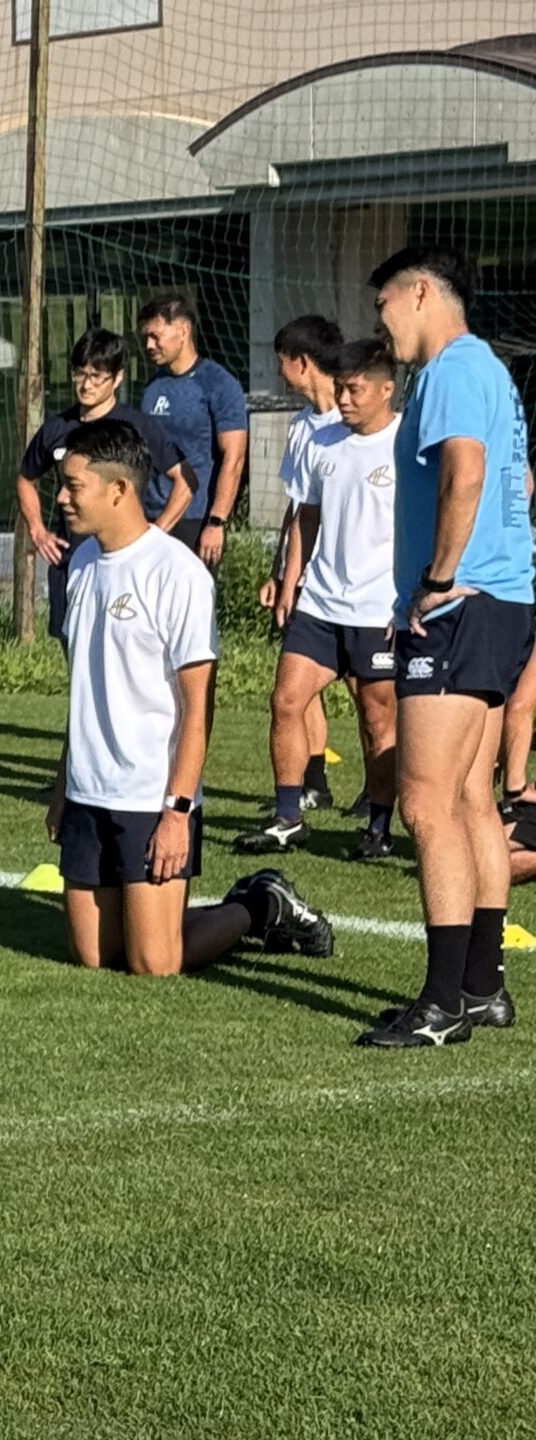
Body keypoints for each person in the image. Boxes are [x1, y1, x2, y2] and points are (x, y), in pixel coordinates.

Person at [44, 419, 333, 976]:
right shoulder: (80, 564)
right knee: (94, 958)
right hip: (88, 794)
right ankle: (190, 910)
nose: (62, 497)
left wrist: (177, 812)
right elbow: (85, 691)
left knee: (154, 964)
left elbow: (198, 707)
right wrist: (64, 788)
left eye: (74, 486)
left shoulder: (177, 573)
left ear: (119, 489)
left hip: (151, 797)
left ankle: (260, 904)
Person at [358, 246, 535, 1049]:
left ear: (421, 293)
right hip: (501, 604)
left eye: (384, 306)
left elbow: (467, 472)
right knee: (469, 800)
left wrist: (436, 580)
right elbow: (516, 484)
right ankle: (482, 987)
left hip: (462, 609)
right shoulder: (489, 370)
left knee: (426, 803)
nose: (382, 325)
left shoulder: (454, 370)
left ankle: (441, 1004)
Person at [239, 332, 401, 860]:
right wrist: (290, 582)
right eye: (342, 389)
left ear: (385, 391)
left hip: (379, 610)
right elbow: (305, 517)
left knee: (377, 720)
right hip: (320, 603)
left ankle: (379, 828)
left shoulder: (406, 445)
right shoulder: (322, 441)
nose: (344, 400)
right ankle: (288, 818)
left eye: (355, 390)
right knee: (286, 700)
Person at [15, 329, 189, 645]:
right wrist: (38, 531)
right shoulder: (57, 428)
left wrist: (157, 533)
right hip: (71, 563)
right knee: (76, 654)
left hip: (125, 565)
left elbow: (186, 480)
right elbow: (26, 479)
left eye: (96, 376)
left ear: (118, 378)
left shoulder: (136, 427)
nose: (86, 384)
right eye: (80, 374)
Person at [254, 317, 351, 819]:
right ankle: (312, 784)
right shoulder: (300, 427)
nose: (279, 372)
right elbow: (298, 509)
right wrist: (281, 575)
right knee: (296, 686)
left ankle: (379, 798)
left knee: (367, 694)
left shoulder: (359, 421)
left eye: (282, 363)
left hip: (356, 582)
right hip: (308, 579)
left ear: (302, 363)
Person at [138, 295, 249, 564]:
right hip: (151, 518)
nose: (149, 345)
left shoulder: (218, 384)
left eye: (155, 336)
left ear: (183, 331)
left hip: (195, 521)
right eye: (146, 337)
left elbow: (234, 458)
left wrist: (216, 521)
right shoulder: (153, 387)